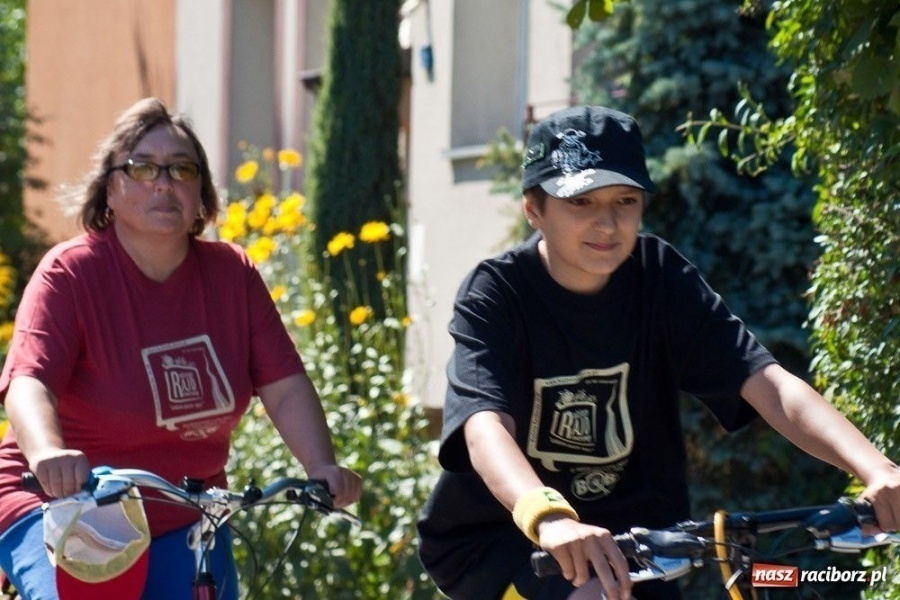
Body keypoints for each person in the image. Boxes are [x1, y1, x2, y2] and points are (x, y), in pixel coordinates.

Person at [416, 105, 900, 600]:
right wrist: (551, 518)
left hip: (640, 542)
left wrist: (877, 469)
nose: (607, 223)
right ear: (534, 210)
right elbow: (484, 428)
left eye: (625, 200)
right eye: (581, 202)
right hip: (507, 542)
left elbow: (767, 383)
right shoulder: (497, 292)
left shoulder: (659, 275)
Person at [0, 97, 362, 599]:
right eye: (143, 167)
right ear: (110, 188)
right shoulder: (71, 274)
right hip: (67, 509)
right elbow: (28, 382)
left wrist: (321, 466)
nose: (164, 182)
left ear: (201, 194)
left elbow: (283, 387)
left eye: (181, 169)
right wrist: (49, 454)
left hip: (188, 515)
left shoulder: (232, 275)